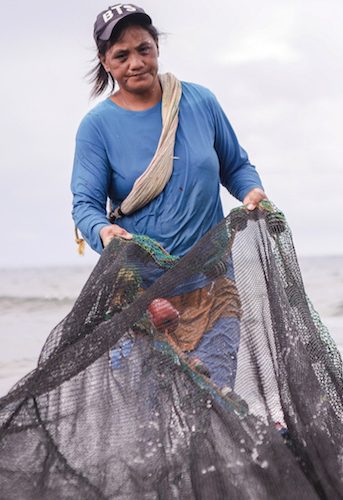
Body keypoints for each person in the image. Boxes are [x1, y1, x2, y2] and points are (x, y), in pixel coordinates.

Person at [72, 4, 266, 389]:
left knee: (216, 397)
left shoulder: (200, 103)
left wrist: (252, 191)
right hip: (142, 298)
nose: (136, 63)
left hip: (212, 288)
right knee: (153, 409)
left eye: (143, 49)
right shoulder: (97, 127)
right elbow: (85, 206)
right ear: (105, 62)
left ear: (156, 47)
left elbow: (236, 167)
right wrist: (103, 232)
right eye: (121, 56)